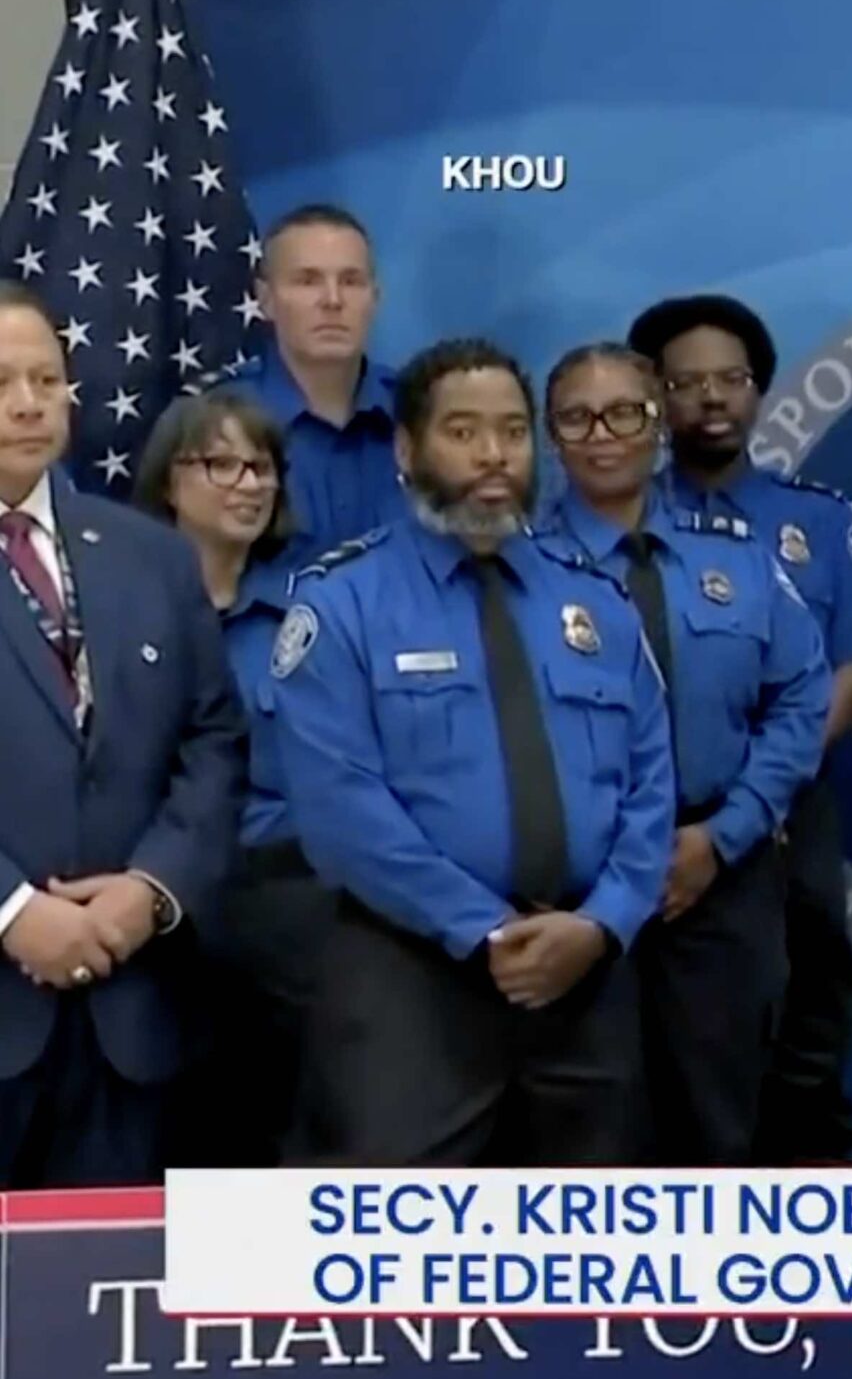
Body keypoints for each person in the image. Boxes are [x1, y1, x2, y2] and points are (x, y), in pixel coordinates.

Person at [268, 338, 675, 1165]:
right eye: (463, 431)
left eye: (513, 432)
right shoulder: (342, 601)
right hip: (412, 977)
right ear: (408, 449)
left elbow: (649, 784)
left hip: (586, 978)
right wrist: (486, 931)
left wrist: (601, 925)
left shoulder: (593, 596)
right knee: (396, 1252)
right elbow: (342, 811)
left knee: (590, 1252)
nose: (493, 454)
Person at [532, 343, 831, 1164]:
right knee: (589, 1138)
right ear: (551, 435)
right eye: (576, 417)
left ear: (658, 425)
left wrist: (726, 833)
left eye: (625, 412)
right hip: (575, 889)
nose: (602, 434)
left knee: (719, 1128)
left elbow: (802, 699)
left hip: (716, 878)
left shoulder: (735, 560)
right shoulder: (514, 571)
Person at [632, 293, 852, 1163]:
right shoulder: (618, 519)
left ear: (758, 392)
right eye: (687, 382)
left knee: (808, 1010)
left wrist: (758, 785)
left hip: (789, 813)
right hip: (657, 822)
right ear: (654, 396)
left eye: (731, 379)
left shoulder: (815, 519)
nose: (711, 398)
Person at [0, 280, 243, 1186]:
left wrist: (151, 889)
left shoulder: (152, 553)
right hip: (7, 987)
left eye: (46, 378)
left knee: (110, 1310)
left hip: (136, 1017)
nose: (29, 403)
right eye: (1, 383)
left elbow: (214, 739)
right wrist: (15, 912)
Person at [131, 389, 328, 1166]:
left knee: (291, 1125)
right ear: (169, 480)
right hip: (157, 900)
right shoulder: (119, 608)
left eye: (262, 465)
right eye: (221, 463)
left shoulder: (314, 614)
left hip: (286, 900)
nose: (247, 483)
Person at [198, 205, 402, 570]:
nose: (333, 300)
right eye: (308, 281)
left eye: (351, 281)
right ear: (265, 299)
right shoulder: (212, 420)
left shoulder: (419, 413)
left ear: (375, 297)